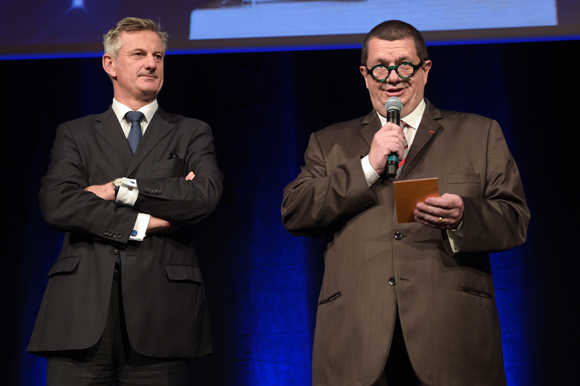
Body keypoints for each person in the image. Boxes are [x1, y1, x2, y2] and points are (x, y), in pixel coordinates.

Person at [281, 20, 530, 386]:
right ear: (365, 75)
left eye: (405, 65)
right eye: (381, 67)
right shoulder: (329, 142)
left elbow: (515, 218)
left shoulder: (479, 133)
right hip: (358, 339)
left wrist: (465, 216)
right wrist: (368, 166)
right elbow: (295, 211)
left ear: (425, 70)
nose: (392, 77)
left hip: (450, 337)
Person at [27, 17, 223, 385]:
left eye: (158, 55)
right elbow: (59, 203)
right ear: (110, 64)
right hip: (80, 314)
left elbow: (203, 196)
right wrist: (144, 223)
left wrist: (119, 189)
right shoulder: (76, 133)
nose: (152, 63)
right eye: (139, 54)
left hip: (162, 316)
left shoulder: (192, 131)